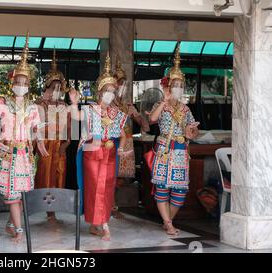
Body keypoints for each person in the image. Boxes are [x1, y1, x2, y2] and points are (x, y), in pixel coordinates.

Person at [0, 33, 49, 243]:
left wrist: (40, 143)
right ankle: (20, 229)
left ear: (28, 85)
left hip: (24, 155)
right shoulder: (4, 104)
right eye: (17, 81)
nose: (20, 84)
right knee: (12, 195)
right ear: (12, 83)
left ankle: (12, 224)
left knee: (20, 195)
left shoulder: (32, 108)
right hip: (7, 154)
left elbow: (37, 128)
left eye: (24, 82)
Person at [70, 53, 128, 241]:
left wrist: (121, 148)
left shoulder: (116, 112)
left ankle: (100, 223)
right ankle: (102, 224)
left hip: (110, 153)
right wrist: (73, 103)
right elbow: (75, 117)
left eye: (113, 90)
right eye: (107, 90)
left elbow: (123, 135)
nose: (110, 93)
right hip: (93, 153)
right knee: (95, 187)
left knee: (107, 188)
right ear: (100, 91)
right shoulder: (90, 109)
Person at [148, 44, 200, 235]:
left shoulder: (186, 110)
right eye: (174, 85)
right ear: (168, 86)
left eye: (180, 86)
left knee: (179, 191)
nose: (177, 89)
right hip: (164, 150)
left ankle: (167, 220)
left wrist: (191, 132)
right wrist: (164, 101)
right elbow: (152, 119)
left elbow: (193, 133)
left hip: (180, 151)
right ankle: (168, 223)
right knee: (162, 188)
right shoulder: (161, 104)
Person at [111, 58, 150, 219]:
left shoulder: (127, 104)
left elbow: (143, 123)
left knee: (120, 178)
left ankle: (114, 205)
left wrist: (143, 120)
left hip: (127, 144)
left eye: (124, 84)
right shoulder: (109, 104)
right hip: (114, 143)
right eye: (120, 83)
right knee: (110, 175)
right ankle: (111, 206)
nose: (122, 87)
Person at [34, 50, 69, 224]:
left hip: (59, 146)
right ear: (47, 87)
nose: (56, 91)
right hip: (45, 145)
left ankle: (54, 209)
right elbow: (34, 126)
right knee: (44, 176)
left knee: (59, 176)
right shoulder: (39, 104)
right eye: (53, 87)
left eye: (59, 88)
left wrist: (66, 143)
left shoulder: (63, 105)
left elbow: (69, 127)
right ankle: (45, 209)